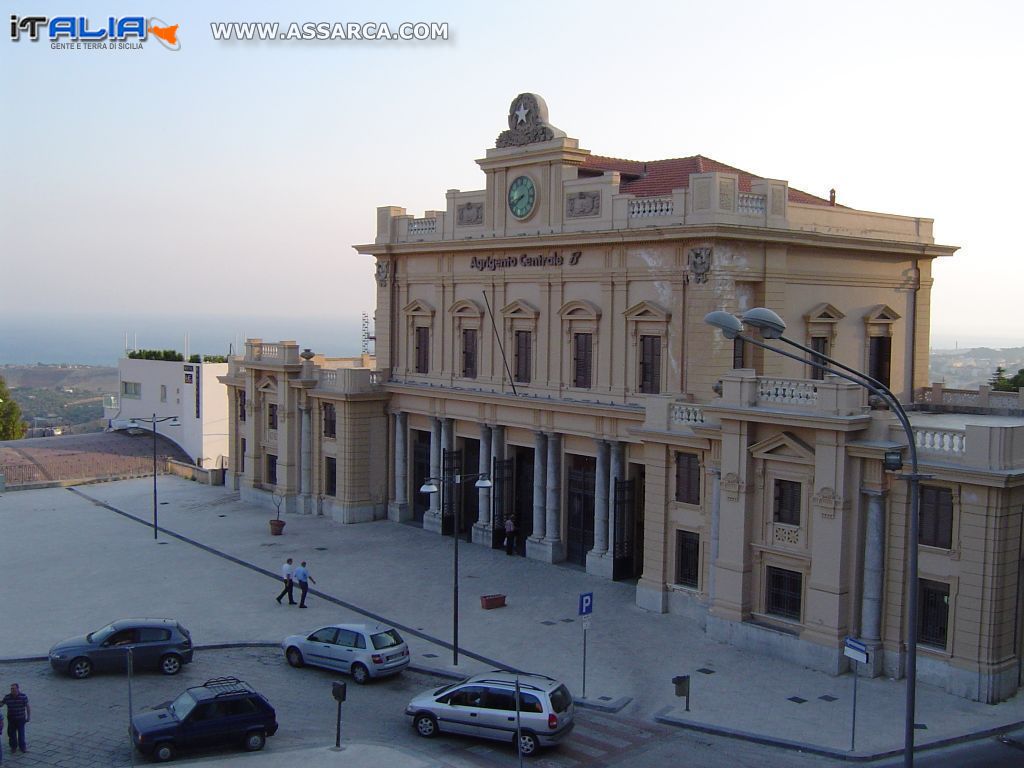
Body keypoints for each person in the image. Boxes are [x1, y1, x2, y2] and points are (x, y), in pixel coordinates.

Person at [2, 684, 29, 754]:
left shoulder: (23, 696)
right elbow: (2, 704)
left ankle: (23, 747)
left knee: (21, 734)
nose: (12, 690)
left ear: (18, 689)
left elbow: (27, 707)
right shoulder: (7, 697)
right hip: (11, 719)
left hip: (21, 719)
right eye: (11, 689)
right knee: (12, 734)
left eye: (14, 688)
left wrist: (28, 717)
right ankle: (13, 747)